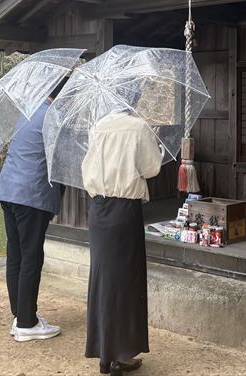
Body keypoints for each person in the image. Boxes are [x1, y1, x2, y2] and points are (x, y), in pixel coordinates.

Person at [81, 110, 163, 375]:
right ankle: (120, 355)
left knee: (103, 279)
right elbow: (152, 169)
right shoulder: (137, 127)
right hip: (124, 209)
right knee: (126, 281)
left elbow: (87, 167)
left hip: (98, 210)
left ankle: (105, 353)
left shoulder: (97, 125)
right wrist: (156, 144)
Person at [0, 85, 66, 342]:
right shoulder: (53, 117)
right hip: (31, 196)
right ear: (61, 95)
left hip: (9, 191)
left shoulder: (28, 112)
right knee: (31, 257)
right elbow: (61, 160)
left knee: (15, 255)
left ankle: (20, 315)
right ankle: (27, 323)